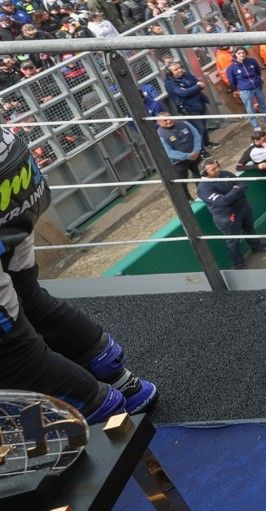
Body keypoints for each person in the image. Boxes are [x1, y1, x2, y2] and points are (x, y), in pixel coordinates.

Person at [0, 128, 159, 422]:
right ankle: (119, 381)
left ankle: (99, 410)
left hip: (10, 176)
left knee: (9, 345)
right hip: (14, 169)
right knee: (26, 297)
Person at [195, 158, 266, 269]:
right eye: (213, 169)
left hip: (243, 207)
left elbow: (244, 184)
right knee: (233, 241)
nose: (218, 169)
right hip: (228, 217)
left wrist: (234, 191)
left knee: (249, 229)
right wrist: (236, 189)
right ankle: (238, 264)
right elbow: (223, 201)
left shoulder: (225, 174)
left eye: (218, 166)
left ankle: (257, 246)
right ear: (204, 173)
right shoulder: (203, 188)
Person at [162, 61, 215, 146]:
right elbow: (183, 93)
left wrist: (191, 89)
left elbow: (199, 84)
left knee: (204, 127)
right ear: (170, 73)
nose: (179, 70)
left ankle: (207, 143)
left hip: (199, 103)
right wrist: (196, 87)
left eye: (180, 68)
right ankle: (200, 150)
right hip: (188, 109)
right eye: (176, 70)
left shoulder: (187, 75)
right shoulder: (169, 83)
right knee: (198, 129)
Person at [225, 46, 266, 131]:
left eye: (243, 52)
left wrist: (258, 80)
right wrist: (239, 89)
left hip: (257, 87)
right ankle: (256, 126)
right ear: (235, 55)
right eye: (239, 53)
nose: (242, 54)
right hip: (245, 90)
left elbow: (258, 72)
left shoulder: (252, 61)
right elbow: (232, 82)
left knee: (263, 105)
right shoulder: (231, 68)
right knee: (250, 109)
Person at [155, 114, 203, 179]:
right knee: (182, 180)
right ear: (159, 123)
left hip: (194, 155)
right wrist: (187, 156)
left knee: (198, 175)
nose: (169, 121)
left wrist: (196, 150)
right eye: (165, 120)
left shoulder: (184, 123)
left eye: (169, 118)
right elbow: (168, 151)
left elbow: (196, 136)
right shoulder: (160, 134)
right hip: (178, 161)